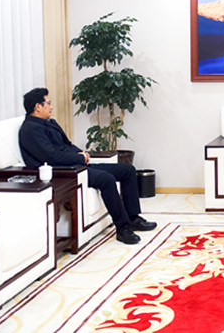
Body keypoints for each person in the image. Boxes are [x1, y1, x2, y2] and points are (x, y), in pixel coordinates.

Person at [18, 87, 157, 245]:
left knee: (127, 170)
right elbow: (51, 157)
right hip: (64, 172)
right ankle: (123, 228)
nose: (51, 107)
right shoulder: (30, 130)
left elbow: (67, 144)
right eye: (48, 103)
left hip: (76, 165)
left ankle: (133, 218)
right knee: (106, 178)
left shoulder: (50, 123)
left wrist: (82, 154)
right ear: (38, 106)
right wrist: (78, 158)